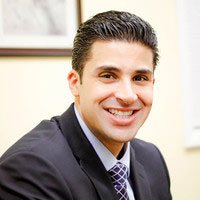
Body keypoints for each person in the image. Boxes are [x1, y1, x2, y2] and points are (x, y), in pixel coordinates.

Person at [0, 10, 172, 200]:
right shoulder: (27, 170)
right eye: (108, 76)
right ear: (75, 82)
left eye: (140, 78)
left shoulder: (152, 159)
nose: (128, 96)